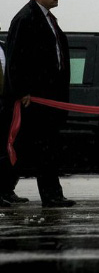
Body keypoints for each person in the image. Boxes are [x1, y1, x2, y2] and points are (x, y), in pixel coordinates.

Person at [5, 0, 75, 208]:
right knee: (42, 147)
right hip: (33, 99)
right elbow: (16, 58)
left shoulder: (48, 19)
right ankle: (52, 196)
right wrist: (22, 91)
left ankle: (4, 189)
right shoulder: (26, 18)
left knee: (29, 147)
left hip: (48, 97)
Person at [0, 35, 29, 206]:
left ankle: (5, 190)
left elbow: (14, 72)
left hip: (5, 105)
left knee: (6, 150)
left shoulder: (5, 48)